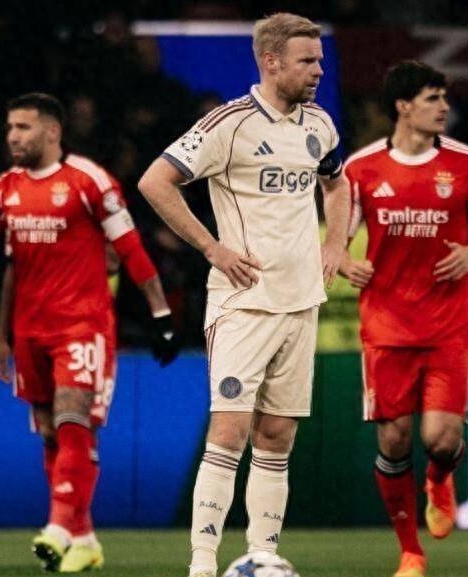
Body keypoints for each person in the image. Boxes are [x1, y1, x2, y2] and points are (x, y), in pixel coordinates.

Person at [138, 13, 350, 577]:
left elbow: (337, 184)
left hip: (301, 302)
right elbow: (155, 181)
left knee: (277, 435)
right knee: (230, 430)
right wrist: (212, 248)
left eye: (320, 60)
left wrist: (335, 243)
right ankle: (203, 564)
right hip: (243, 304)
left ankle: (263, 555)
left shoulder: (320, 124)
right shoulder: (228, 124)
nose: (318, 71)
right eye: (307, 61)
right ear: (271, 62)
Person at [0, 92, 180, 573]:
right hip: (29, 330)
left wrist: (161, 315)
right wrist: (1, 337)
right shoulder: (5, 188)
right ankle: (84, 539)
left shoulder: (89, 181)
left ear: (52, 131)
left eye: (22, 127)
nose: (12, 136)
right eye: (9, 127)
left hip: (82, 323)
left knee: (72, 418)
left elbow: (131, 248)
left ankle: (58, 527)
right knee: (49, 432)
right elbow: (6, 265)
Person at [341, 60, 468, 577]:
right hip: (386, 326)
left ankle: (439, 477)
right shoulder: (361, 170)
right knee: (393, 441)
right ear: (403, 105)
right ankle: (410, 551)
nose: (444, 107)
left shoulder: (465, 163)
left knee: (441, 439)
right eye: (433, 98)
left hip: (447, 325)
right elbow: (335, 240)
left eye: (445, 98)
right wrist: (344, 262)